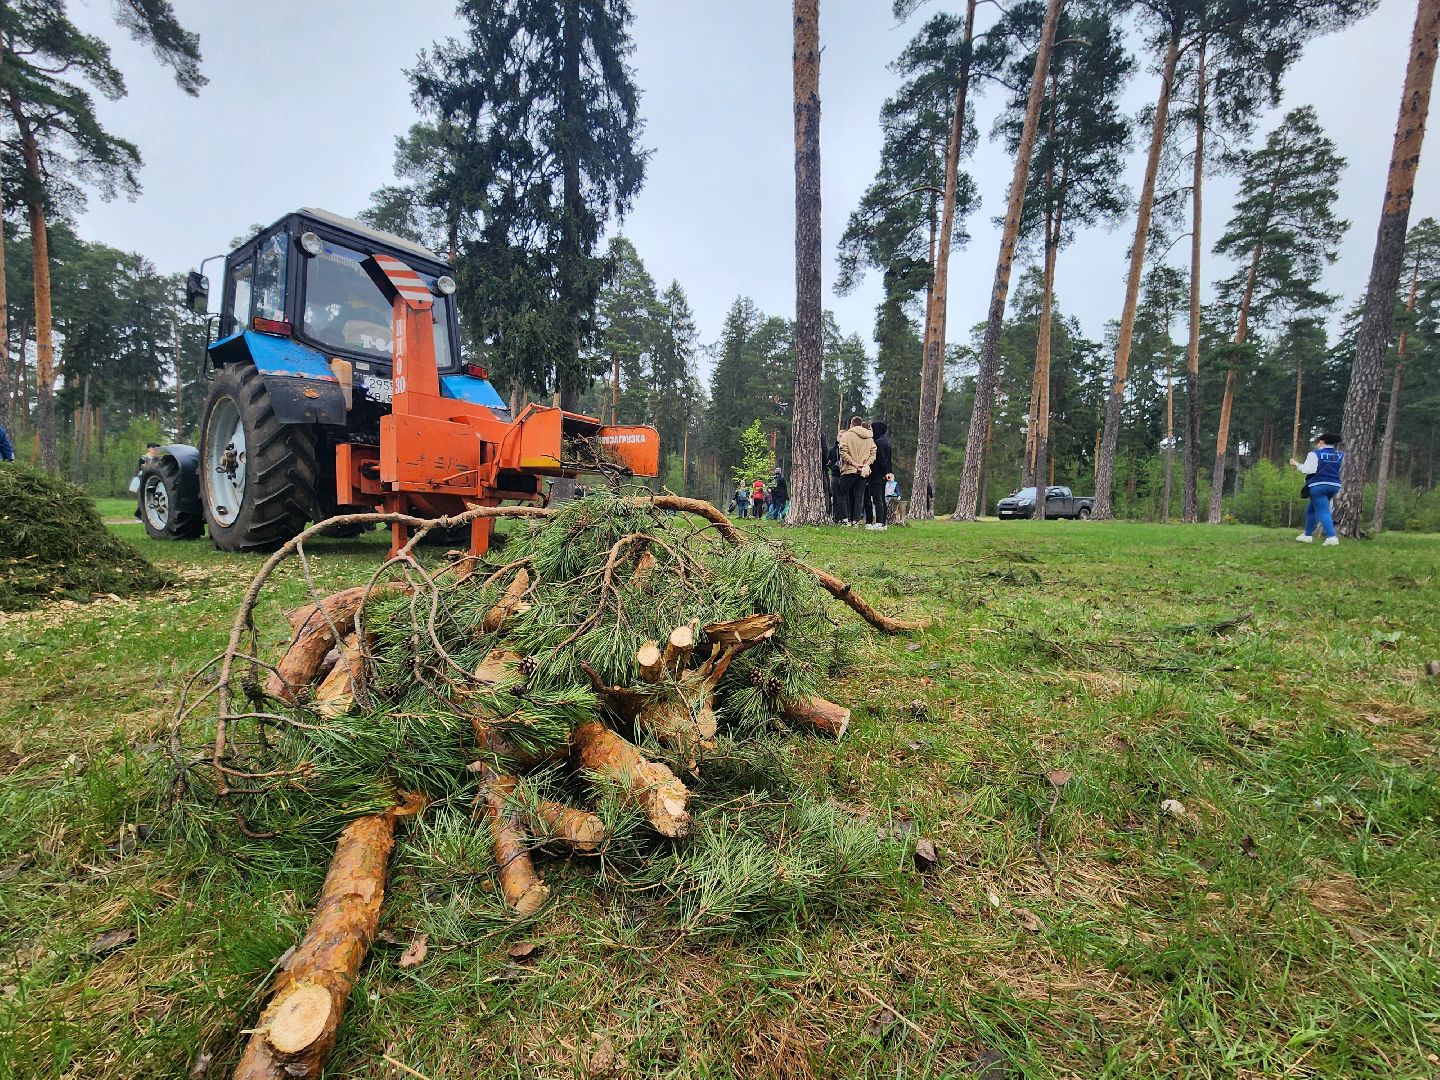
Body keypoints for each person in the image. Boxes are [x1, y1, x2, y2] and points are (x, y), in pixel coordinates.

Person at [1292, 433, 1344, 546]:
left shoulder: (1314, 454)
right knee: (1311, 509)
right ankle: (1307, 535)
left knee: (1323, 510)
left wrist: (1297, 465)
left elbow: (1309, 469)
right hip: (1334, 486)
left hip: (1318, 486)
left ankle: (1331, 537)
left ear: (1322, 442)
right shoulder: (1340, 455)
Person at [836, 416, 876, 526]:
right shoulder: (869, 437)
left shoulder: (847, 436)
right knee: (859, 496)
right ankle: (856, 521)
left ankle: (845, 519)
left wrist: (854, 464)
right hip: (863, 471)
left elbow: (843, 452)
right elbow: (873, 453)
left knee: (841, 493)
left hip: (849, 470)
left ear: (851, 425)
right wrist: (866, 464)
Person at [864, 421, 892, 530]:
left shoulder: (879, 442)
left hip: (877, 474)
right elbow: (889, 461)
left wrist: (884, 473)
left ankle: (879, 522)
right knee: (881, 498)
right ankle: (883, 522)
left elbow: (881, 460)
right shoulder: (887, 441)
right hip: (883, 474)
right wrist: (888, 473)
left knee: (877, 499)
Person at [825, 438, 844, 523]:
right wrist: (832, 467)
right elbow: (829, 461)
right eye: (839, 436)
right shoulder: (833, 450)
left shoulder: (849, 448)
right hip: (835, 475)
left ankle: (845, 517)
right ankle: (836, 518)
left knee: (845, 497)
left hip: (845, 475)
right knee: (835, 497)